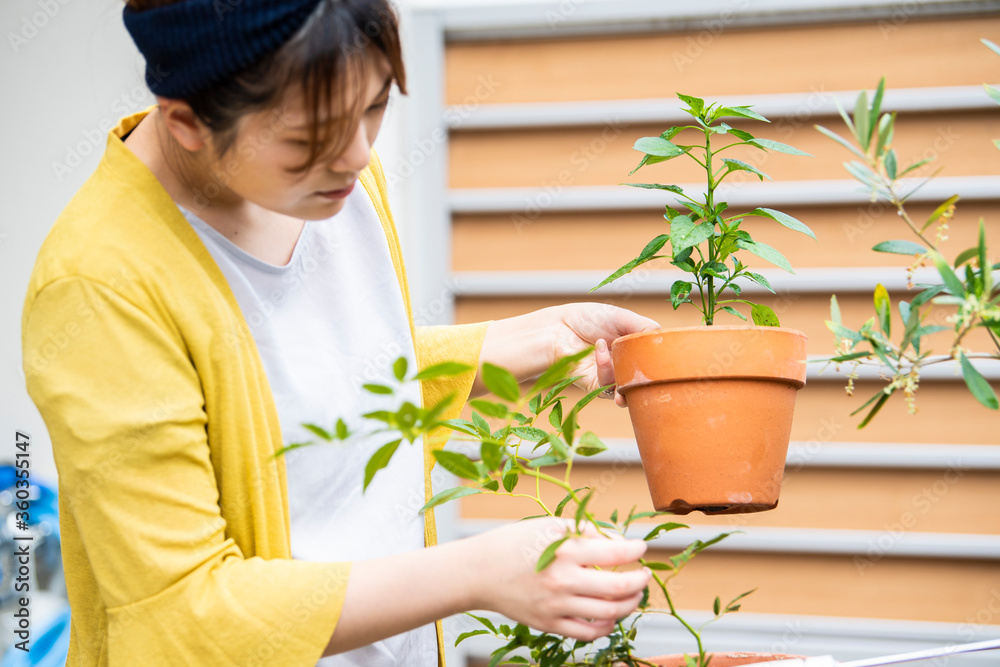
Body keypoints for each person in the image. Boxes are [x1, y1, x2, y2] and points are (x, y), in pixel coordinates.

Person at [20, 0, 660, 664]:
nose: (357, 157)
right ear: (185, 120)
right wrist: (476, 574)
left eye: (376, 106)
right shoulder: (98, 287)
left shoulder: (337, 177)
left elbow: (306, 385)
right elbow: (186, 612)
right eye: (308, 139)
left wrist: (529, 345)